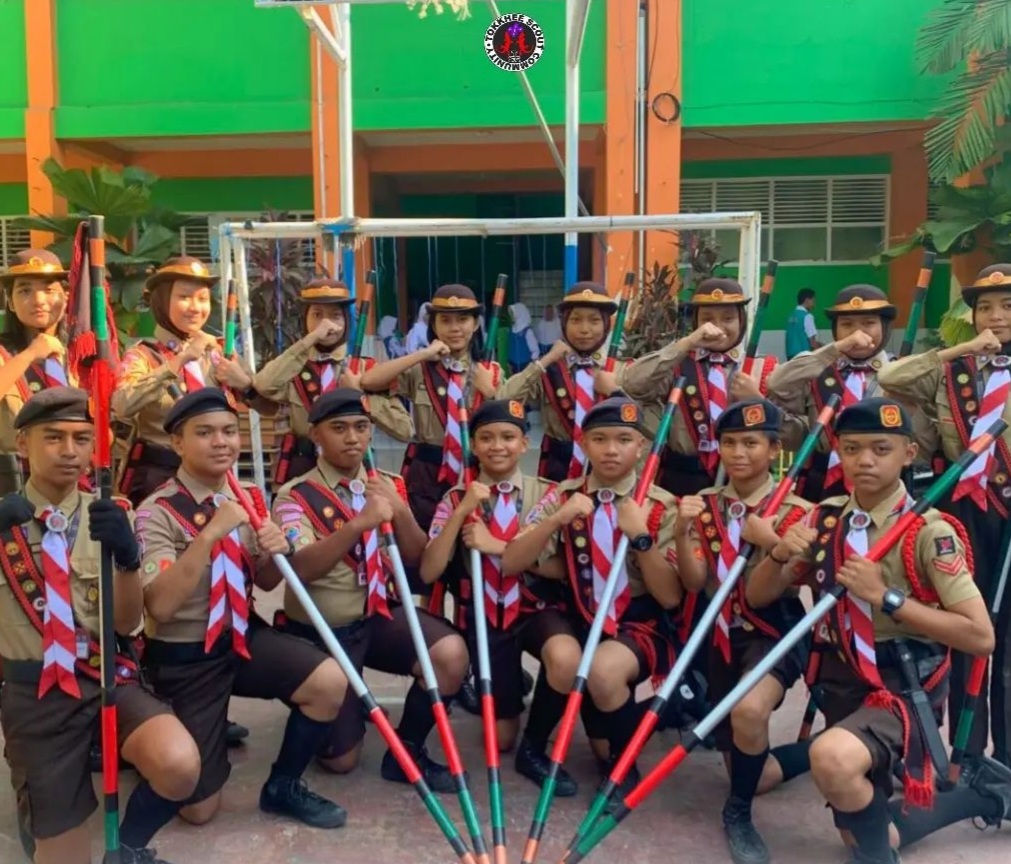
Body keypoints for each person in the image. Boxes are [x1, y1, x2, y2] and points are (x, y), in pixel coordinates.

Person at [747, 397, 1010, 864]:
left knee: (835, 762)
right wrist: (781, 554)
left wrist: (886, 596)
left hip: (901, 683)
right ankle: (979, 798)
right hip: (841, 677)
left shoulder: (929, 532)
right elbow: (758, 596)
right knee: (863, 824)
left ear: (909, 454)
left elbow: (980, 636)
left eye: (881, 449)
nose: (864, 460)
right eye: (852, 449)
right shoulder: (825, 518)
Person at [0, 387, 201, 864]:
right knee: (65, 858)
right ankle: (43, 811)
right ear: (23, 443)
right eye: (53, 437)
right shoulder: (3, 519)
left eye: (82, 438)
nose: (70, 451)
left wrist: (128, 559)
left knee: (179, 765)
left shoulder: (111, 514)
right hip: (36, 693)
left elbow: (128, 623)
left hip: (103, 676)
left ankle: (126, 849)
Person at [132, 387, 347, 831]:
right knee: (198, 810)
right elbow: (161, 606)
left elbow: (265, 581)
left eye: (229, 431)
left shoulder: (246, 495)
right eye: (204, 433)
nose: (221, 442)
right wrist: (210, 534)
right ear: (177, 443)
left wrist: (276, 550)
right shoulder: (156, 512)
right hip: (185, 657)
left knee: (328, 682)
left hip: (241, 638)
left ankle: (283, 786)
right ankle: (152, 741)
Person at [270, 387, 467, 792]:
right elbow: (300, 569)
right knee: (341, 761)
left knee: (450, 654)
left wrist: (400, 510)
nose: (352, 438)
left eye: (361, 427)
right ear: (316, 435)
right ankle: (319, 698)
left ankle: (407, 751)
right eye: (339, 428)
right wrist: (358, 524)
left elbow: (416, 558)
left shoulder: (387, 484)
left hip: (375, 617)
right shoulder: (295, 496)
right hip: (325, 633)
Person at [502, 395, 681, 788]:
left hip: (634, 622)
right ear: (583, 445)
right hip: (573, 610)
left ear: (641, 446)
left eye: (623, 439)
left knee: (603, 679)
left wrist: (642, 538)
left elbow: (670, 597)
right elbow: (511, 562)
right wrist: (556, 521)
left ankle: (620, 765)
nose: (611, 450)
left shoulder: (661, 506)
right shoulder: (563, 495)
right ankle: (532, 749)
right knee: (566, 658)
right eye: (599, 439)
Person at [877, 263, 1011, 768]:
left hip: (1009, 512)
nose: (995, 317)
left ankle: (1008, 760)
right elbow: (890, 376)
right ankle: (966, 753)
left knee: (1009, 642)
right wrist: (962, 350)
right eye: (985, 308)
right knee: (964, 629)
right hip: (963, 513)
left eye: (1007, 307)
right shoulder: (953, 372)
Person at [674, 399, 813, 864]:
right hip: (718, 632)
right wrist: (682, 532)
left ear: (774, 449)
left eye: (751, 443)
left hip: (773, 629)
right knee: (755, 772)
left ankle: (738, 815)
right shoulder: (705, 505)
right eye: (729, 443)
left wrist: (770, 540)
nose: (738, 453)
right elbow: (694, 582)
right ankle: (812, 752)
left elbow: (788, 584)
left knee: (749, 712)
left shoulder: (799, 512)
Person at [420, 399, 577, 794]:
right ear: (473, 445)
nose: (497, 446)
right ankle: (509, 687)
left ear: (525, 443)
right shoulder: (457, 497)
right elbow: (428, 571)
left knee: (565, 659)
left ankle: (534, 747)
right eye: (486, 438)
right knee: (500, 738)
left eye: (508, 437)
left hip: (535, 608)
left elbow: (563, 568)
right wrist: (461, 513)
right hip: (486, 615)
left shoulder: (549, 495)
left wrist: (497, 547)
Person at [112, 257, 277, 507]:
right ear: (161, 301)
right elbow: (122, 404)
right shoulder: (143, 355)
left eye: (202, 298)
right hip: (159, 477)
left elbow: (270, 408)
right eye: (184, 297)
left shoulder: (221, 352)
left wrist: (244, 384)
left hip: (215, 476)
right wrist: (180, 360)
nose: (195, 307)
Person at [766, 285, 935, 502]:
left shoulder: (901, 376)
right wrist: (836, 349)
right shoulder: (818, 372)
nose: (858, 333)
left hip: (887, 484)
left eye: (869, 323)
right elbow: (777, 383)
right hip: (822, 483)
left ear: (885, 327)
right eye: (847, 325)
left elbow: (926, 446)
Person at [361, 284, 501, 542]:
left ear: (475, 324)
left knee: (471, 542)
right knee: (424, 543)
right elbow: (368, 381)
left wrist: (490, 392)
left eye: (463, 319)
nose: (455, 328)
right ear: (433, 326)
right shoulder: (420, 369)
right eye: (445, 320)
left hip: (475, 470)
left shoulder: (489, 372)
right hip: (427, 472)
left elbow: (505, 424)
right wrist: (423, 353)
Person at [617, 278, 778, 497]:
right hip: (682, 479)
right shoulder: (676, 364)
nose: (717, 327)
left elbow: (791, 432)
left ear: (741, 321)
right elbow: (632, 383)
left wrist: (758, 400)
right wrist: (687, 343)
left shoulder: (763, 368)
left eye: (728, 318)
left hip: (745, 482)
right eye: (707, 319)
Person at [251, 279, 413, 488]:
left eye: (335, 316)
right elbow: (263, 385)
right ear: (305, 320)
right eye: (317, 315)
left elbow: (404, 429)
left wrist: (362, 397)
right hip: (303, 466)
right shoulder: (292, 367)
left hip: (353, 467)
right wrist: (310, 339)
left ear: (346, 321)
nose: (326, 324)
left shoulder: (366, 370)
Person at [499, 282, 620, 481]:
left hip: (608, 470)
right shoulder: (548, 370)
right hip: (556, 471)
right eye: (575, 320)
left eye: (594, 320)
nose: (584, 329)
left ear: (606, 325)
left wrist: (616, 391)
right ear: (563, 324)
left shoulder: (619, 369)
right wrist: (545, 361)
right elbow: (504, 399)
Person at [0, 249, 77, 495]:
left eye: (49, 290)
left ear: (66, 296)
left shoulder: (82, 354)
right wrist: (30, 354)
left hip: (74, 481)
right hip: (13, 484)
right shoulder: (4, 353)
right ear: (10, 302)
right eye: (25, 291)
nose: (38, 300)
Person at [785, 288, 820, 359]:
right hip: (804, 356)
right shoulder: (807, 316)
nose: (814, 303)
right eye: (813, 300)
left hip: (790, 356)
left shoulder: (790, 316)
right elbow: (812, 342)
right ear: (807, 300)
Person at [507, 302, 540, 375]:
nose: (512, 315)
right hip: (512, 365)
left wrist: (533, 364)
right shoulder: (512, 329)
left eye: (514, 313)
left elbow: (535, 350)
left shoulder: (527, 331)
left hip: (525, 366)